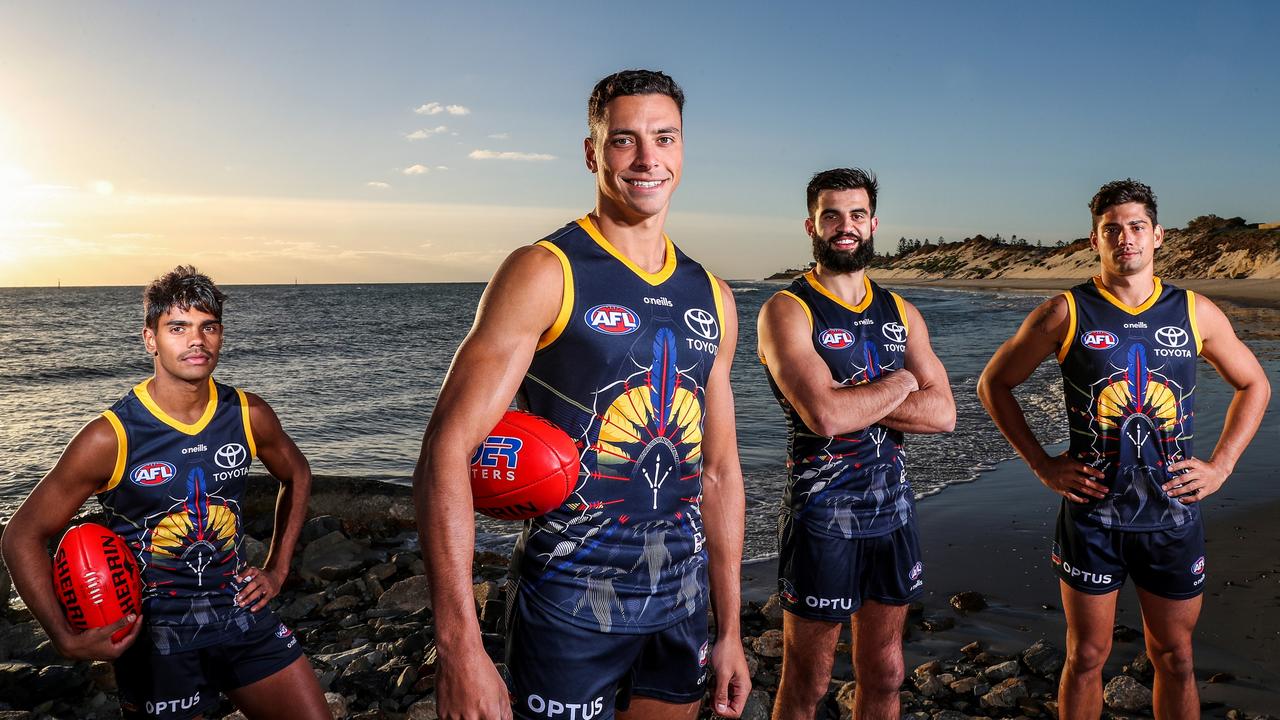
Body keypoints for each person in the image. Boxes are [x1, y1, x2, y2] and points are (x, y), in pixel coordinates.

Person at [412, 69, 751, 720]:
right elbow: (445, 449)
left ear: (683, 150)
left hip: (680, 604)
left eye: (664, 138)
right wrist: (458, 645)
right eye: (625, 141)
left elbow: (719, 471)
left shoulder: (714, 296)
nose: (648, 159)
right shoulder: (545, 270)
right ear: (593, 153)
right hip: (570, 601)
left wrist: (730, 629)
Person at [977, 180, 1270, 719]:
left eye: (1137, 227)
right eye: (1112, 229)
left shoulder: (1194, 311)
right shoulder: (1065, 312)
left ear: (1158, 235)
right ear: (1095, 239)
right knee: (1086, 656)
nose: (1126, 238)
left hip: (1172, 514)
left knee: (1175, 656)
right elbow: (993, 384)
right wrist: (1042, 463)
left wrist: (1222, 464)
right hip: (1092, 516)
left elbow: (1255, 384)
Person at [1, 266, 329, 720]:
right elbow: (22, 535)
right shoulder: (110, 437)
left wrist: (277, 569)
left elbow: (298, 474)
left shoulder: (249, 413)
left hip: (241, 617)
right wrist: (65, 636)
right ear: (150, 339)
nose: (196, 341)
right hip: (157, 642)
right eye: (178, 328)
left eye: (207, 327)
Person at [758, 168, 956, 719]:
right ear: (811, 225)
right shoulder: (787, 310)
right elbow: (823, 414)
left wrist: (858, 401)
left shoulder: (901, 313)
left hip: (893, 513)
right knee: (808, 679)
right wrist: (899, 383)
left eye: (857, 215)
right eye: (832, 215)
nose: (846, 226)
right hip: (823, 516)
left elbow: (944, 416)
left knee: (888, 672)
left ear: (873, 224)